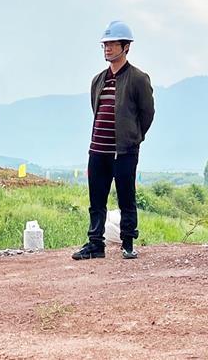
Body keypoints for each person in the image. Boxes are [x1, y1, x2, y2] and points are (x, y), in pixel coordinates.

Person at [73, 21, 154, 261]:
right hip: (98, 150)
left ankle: (128, 243)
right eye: (105, 45)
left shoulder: (138, 78)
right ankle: (95, 244)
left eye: (113, 44)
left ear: (126, 47)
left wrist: (134, 138)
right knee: (96, 199)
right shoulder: (98, 80)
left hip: (124, 151)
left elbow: (147, 113)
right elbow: (96, 109)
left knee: (126, 197)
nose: (107, 48)